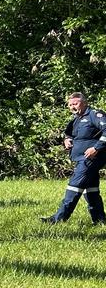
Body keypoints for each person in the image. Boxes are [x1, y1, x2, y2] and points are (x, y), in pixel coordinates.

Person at [42, 92, 106, 225]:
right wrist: (67, 140)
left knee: (74, 187)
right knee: (91, 190)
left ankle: (58, 219)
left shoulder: (93, 115)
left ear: (84, 103)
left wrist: (96, 148)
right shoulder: (76, 118)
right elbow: (69, 134)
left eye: (75, 104)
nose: (72, 107)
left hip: (90, 159)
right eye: (70, 104)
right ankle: (100, 220)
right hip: (81, 159)